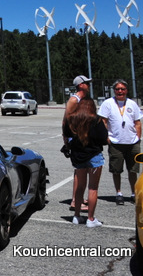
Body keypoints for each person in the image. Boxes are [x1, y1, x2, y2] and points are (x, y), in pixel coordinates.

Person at [63, 97, 108, 227]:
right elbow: (104, 139)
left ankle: (76, 216)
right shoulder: (96, 120)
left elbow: (66, 136)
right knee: (93, 188)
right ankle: (91, 218)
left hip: (78, 156)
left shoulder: (71, 119)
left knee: (80, 187)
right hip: (94, 155)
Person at [98, 79, 143, 205]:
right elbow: (103, 121)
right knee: (116, 170)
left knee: (133, 170)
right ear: (114, 90)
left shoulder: (132, 104)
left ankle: (134, 193)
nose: (120, 91)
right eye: (117, 89)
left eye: (122, 89)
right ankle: (119, 193)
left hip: (132, 143)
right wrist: (106, 137)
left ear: (126, 90)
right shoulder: (108, 103)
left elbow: (138, 122)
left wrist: (138, 138)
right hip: (116, 143)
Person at [63, 75, 92, 211]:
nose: (89, 85)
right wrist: (66, 139)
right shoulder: (74, 100)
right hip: (76, 139)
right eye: (87, 83)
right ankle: (75, 201)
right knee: (80, 170)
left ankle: (79, 198)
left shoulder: (84, 100)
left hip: (84, 138)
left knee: (83, 169)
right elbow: (66, 120)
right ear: (80, 85)